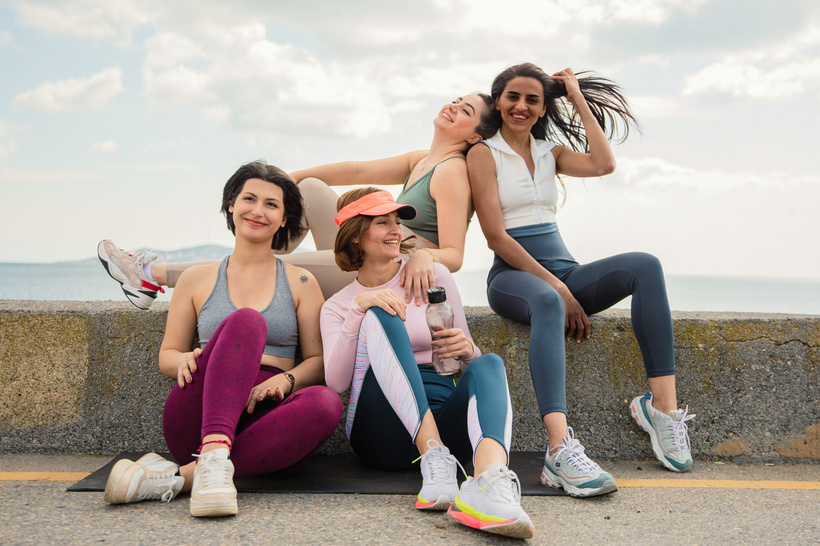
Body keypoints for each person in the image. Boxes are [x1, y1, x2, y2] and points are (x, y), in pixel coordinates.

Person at [467, 62, 695, 497]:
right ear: (498, 101)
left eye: (533, 99)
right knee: (550, 302)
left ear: (542, 108)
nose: (521, 106)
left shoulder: (549, 152)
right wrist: (557, 287)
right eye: (513, 96)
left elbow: (604, 164)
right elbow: (496, 235)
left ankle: (662, 410)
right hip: (515, 277)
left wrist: (576, 98)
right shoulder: (483, 153)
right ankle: (559, 448)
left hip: (564, 272)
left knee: (644, 264)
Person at [102, 161, 343, 517]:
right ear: (232, 205)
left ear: (284, 219)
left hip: (268, 424)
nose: (258, 211)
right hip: (198, 419)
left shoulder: (301, 282)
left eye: (272, 204)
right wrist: (182, 360)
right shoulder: (195, 279)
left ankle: (180, 478)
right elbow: (167, 354)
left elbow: (319, 362)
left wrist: (286, 379)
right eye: (249, 199)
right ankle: (212, 452)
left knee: (326, 403)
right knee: (246, 322)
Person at [98, 94, 497, 307]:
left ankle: (152, 273)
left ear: (475, 136)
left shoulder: (452, 172)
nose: (452, 106)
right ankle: (256, 252)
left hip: (389, 269)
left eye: (464, 111)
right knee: (310, 190)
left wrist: (426, 257)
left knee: (278, 266)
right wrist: (292, 178)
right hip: (365, 249)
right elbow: (356, 172)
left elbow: (455, 255)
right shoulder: (421, 160)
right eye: (456, 99)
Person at [320, 187, 534, 539]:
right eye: (382, 222)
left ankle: (489, 484)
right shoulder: (338, 306)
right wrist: (360, 309)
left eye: (396, 221)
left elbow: (466, 361)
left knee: (490, 362)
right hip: (381, 433)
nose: (396, 230)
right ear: (355, 235)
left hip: (448, 434)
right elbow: (337, 382)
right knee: (380, 314)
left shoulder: (434, 276)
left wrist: (468, 351)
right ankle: (431, 454)